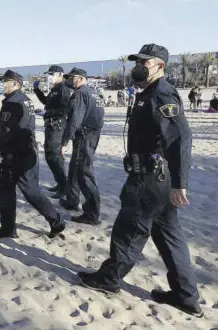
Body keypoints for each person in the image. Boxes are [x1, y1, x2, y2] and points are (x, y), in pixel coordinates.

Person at [76, 44, 202, 318]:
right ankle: (186, 296)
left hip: (150, 179)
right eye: (138, 60)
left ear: (160, 66)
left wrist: (180, 182)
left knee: (128, 231)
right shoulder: (148, 93)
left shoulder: (162, 94)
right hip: (157, 177)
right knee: (170, 237)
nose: (139, 65)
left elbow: (182, 139)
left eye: (146, 61)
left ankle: (108, 280)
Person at [0, 70, 66, 239]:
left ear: (16, 84)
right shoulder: (23, 100)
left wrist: (4, 151)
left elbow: (12, 132)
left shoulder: (14, 103)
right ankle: (54, 221)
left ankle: (10, 228)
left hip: (17, 154)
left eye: (5, 81)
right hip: (24, 152)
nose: (1, 84)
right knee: (17, 190)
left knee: (23, 192)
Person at [59, 68, 104, 225]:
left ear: (79, 79)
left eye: (71, 78)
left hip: (84, 136)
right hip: (92, 134)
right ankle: (72, 200)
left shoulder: (80, 94)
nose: (69, 81)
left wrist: (64, 141)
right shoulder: (93, 93)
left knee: (84, 173)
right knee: (74, 168)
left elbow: (74, 120)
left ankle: (92, 213)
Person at [33, 65, 71, 198]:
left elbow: (64, 110)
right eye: (49, 74)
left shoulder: (63, 89)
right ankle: (60, 184)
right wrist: (36, 90)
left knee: (53, 156)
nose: (49, 77)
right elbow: (46, 101)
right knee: (53, 157)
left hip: (57, 126)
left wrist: (47, 112)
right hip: (51, 125)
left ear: (60, 74)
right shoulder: (55, 89)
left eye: (52, 74)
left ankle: (63, 186)